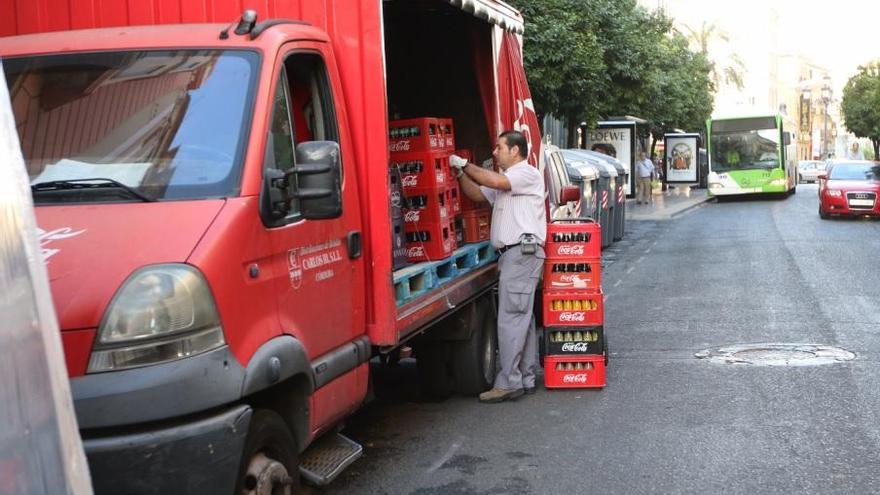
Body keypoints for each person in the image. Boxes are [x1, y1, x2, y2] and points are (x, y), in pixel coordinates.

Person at [450, 130, 546, 403]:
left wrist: (465, 164)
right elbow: (478, 194)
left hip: (522, 254)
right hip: (512, 256)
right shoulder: (507, 182)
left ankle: (509, 382)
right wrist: (460, 175)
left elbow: (492, 179)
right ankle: (525, 377)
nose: (495, 152)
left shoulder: (524, 174)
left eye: (499, 147)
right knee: (521, 320)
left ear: (515, 151)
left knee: (510, 320)